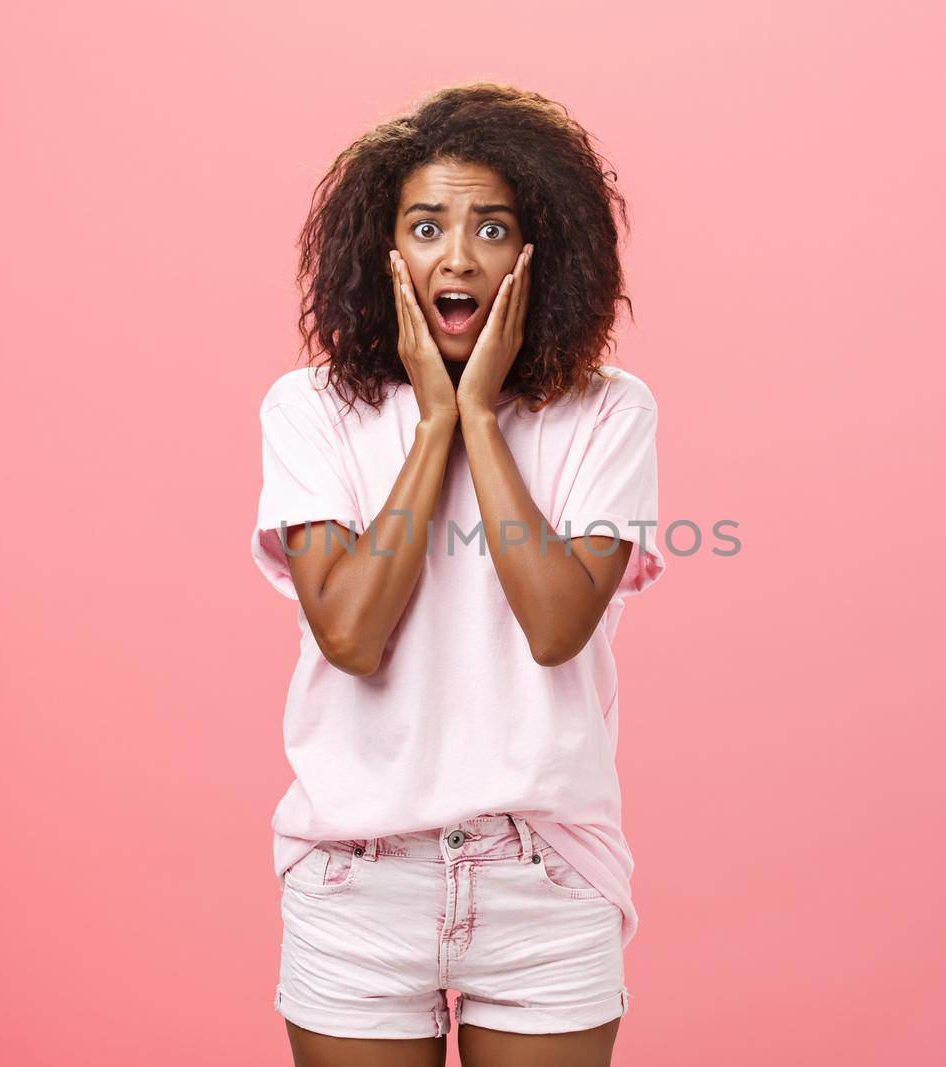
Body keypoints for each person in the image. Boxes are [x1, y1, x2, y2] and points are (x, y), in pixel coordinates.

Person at [251, 81, 665, 1067]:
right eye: (426, 224)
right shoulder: (310, 411)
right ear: (383, 249)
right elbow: (349, 635)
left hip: (544, 877)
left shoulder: (608, 413)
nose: (456, 254)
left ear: (539, 251)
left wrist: (480, 416)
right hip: (357, 880)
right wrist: (434, 422)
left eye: (491, 226)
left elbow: (555, 624)